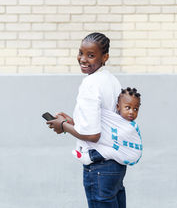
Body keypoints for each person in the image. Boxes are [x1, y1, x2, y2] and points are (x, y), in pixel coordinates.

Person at [47, 32, 127, 208]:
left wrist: (63, 125)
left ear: (105, 57)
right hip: (116, 166)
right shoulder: (111, 80)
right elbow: (103, 122)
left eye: (91, 55)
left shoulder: (90, 84)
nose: (83, 59)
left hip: (99, 168)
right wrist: (73, 122)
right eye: (81, 53)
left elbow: (92, 135)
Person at [72, 87, 143, 166]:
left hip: (130, 154)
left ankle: (89, 157)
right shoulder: (112, 119)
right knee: (108, 151)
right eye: (128, 108)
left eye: (135, 109)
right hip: (116, 152)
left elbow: (126, 137)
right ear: (118, 107)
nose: (131, 112)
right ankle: (87, 155)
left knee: (109, 152)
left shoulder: (132, 126)